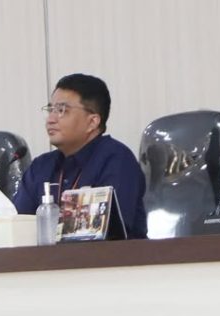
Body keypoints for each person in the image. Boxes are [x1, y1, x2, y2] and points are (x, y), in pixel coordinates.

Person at [13, 73, 148, 240]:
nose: (51, 119)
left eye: (62, 110)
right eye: (50, 110)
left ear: (92, 122)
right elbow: (18, 226)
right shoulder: (40, 167)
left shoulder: (116, 160)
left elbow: (111, 233)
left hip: (109, 256)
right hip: (46, 257)